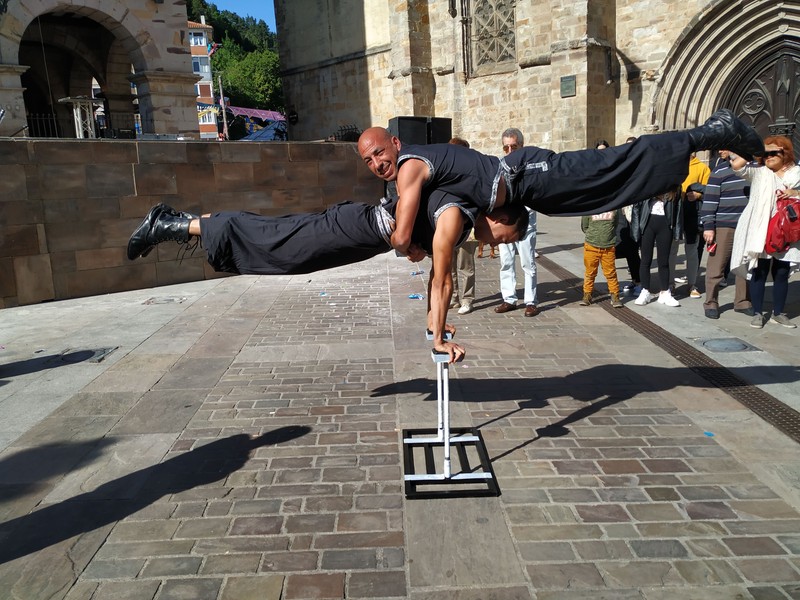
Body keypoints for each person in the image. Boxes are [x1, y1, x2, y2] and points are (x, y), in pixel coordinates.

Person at [127, 199, 530, 364]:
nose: (498, 243)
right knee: (278, 243)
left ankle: (179, 223)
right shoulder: (458, 217)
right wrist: (438, 337)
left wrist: (434, 322)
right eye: (504, 237)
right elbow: (442, 281)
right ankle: (171, 225)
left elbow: (436, 280)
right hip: (349, 229)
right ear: (499, 218)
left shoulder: (460, 221)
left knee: (279, 242)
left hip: (352, 236)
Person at [357, 109, 763, 265]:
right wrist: (423, 248)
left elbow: (402, 236)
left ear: (396, 143)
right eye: (368, 161)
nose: (377, 164)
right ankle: (699, 143)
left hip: (530, 174)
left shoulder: (410, 167)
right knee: (611, 191)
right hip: (533, 191)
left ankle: (712, 131)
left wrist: (410, 247)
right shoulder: (418, 172)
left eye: (379, 152)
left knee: (612, 163)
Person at [730, 136, 800, 328]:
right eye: (765, 153)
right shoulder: (758, 172)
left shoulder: (796, 173)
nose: (768, 156)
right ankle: (758, 313)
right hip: (761, 229)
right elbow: (737, 165)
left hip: (786, 230)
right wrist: (754, 148)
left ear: (785, 153)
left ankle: (778, 313)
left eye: (773, 152)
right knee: (759, 270)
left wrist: (796, 193)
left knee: (782, 271)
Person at [700, 149, 753, 319]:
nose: (723, 150)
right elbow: (710, 200)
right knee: (716, 266)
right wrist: (708, 226)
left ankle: (742, 301)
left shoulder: (755, 169)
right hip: (724, 225)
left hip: (748, 225)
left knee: (744, 265)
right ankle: (711, 302)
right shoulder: (720, 171)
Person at [494, 128, 539, 317]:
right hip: (506, 221)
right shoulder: (500, 167)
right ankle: (509, 298)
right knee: (506, 261)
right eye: (506, 148)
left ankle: (531, 301)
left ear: (521, 146)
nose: (510, 151)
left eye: (514, 147)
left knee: (528, 262)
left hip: (525, 219)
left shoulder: (531, 167)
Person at [631, 186, 682, 307]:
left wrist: (677, 232)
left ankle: (665, 292)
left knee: (663, 261)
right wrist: (635, 230)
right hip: (647, 223)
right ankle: (645, 291)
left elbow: (679, 209)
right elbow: (636, 206)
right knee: (645, 260)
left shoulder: (675, 185)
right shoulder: (648, 182)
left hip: (666, 224)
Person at [670, 154, 710, 298]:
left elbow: (710, 191)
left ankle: (692, 284)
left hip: (692, 214)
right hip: (674, 212)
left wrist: (698, 195)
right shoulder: (674, 164)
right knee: (672, 249)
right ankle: (670, 284)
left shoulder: (702, 168)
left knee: (692, 250)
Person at [447, 136, 479, 314]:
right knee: (449, 264)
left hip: (466, 226)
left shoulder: (471, 174)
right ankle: (453, 298)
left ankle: (467, 299)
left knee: (466, 266)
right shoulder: (445, 172)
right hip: (448, 226)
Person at [580, 207, 624, 308]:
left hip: (608, 248)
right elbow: (584, 226)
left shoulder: (614, 209)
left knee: (611, 273)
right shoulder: (589, 208)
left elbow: (615, 224)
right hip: (591, 246)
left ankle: (615, 296)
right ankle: (587, 295)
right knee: (590, 273)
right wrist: (594, 235)